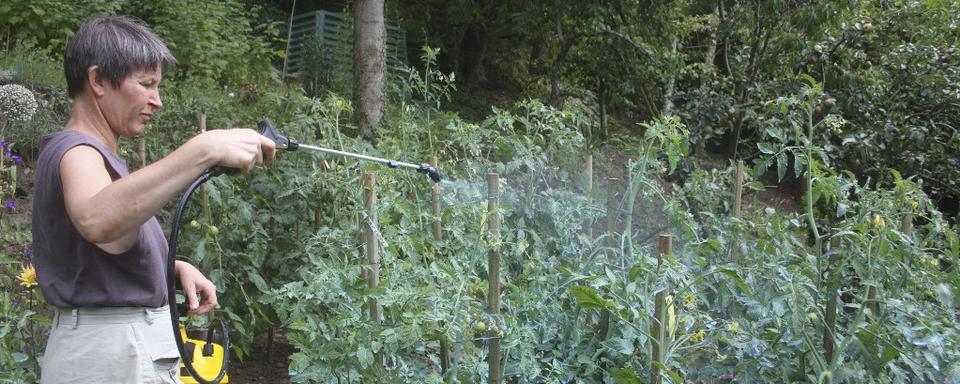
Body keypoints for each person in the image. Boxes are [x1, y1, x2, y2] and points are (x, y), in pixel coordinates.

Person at [31, 15, 274, 383]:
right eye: (146, 84)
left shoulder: (97, 154)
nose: (156, 101)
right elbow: (97, 220)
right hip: (112, 354)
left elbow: (94, 253)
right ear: (97, 80)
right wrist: (201, 151)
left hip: (114, 350)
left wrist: (171, 268)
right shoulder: (77, 150)